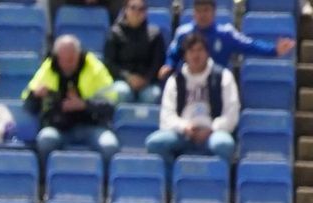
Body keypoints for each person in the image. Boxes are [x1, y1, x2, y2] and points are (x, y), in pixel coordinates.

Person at [146, 32, 238, 168]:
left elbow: (231, 114)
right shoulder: (175, 80)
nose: (196, 55)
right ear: (185, 55)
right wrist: (184, 127)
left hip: (213, 132)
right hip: (183, 133)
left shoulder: (224, 76)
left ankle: (215, 179)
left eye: (200, 50)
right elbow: (166, 116)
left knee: (224, 145)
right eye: (191, 51)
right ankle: (174, 178)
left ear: (207, 53)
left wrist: (212, 128)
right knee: (155, 143)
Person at [23, 35, 118, 162]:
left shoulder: (95, 68)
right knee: (45, 140)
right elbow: (28, 106)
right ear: (57, 57)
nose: (68, 64)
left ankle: (105, 176)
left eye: (72, 59)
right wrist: (35, 95)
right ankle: (45, 174)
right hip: (59, 128)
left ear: (79, 54)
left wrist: (84, 105)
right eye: (64, 59)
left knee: (109, 146)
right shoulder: (48, 68)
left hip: (92, 125)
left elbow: (110, 105)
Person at [160, 0, 293, 81]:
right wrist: (168, 65)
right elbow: (173, 54)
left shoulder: (226, 34)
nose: (202, 15)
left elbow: (250, 45)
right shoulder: (183, 33)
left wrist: (273, 50)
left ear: (214, 12)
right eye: (198, 11)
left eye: (206, 10)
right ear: (193, 13)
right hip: (189, 83)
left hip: (218, 84)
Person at [104, 0, 165, 105]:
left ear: (146, 12)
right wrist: (128, 77)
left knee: (153, 95)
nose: (136, 12)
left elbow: (158, 62)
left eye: (141, 9)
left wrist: (146, 79)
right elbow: (109, 63)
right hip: (122, 80)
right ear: (125, 10)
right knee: (122, 93)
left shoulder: (155, 34)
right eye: (133, 8)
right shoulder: (114, 33)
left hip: (147, 82)